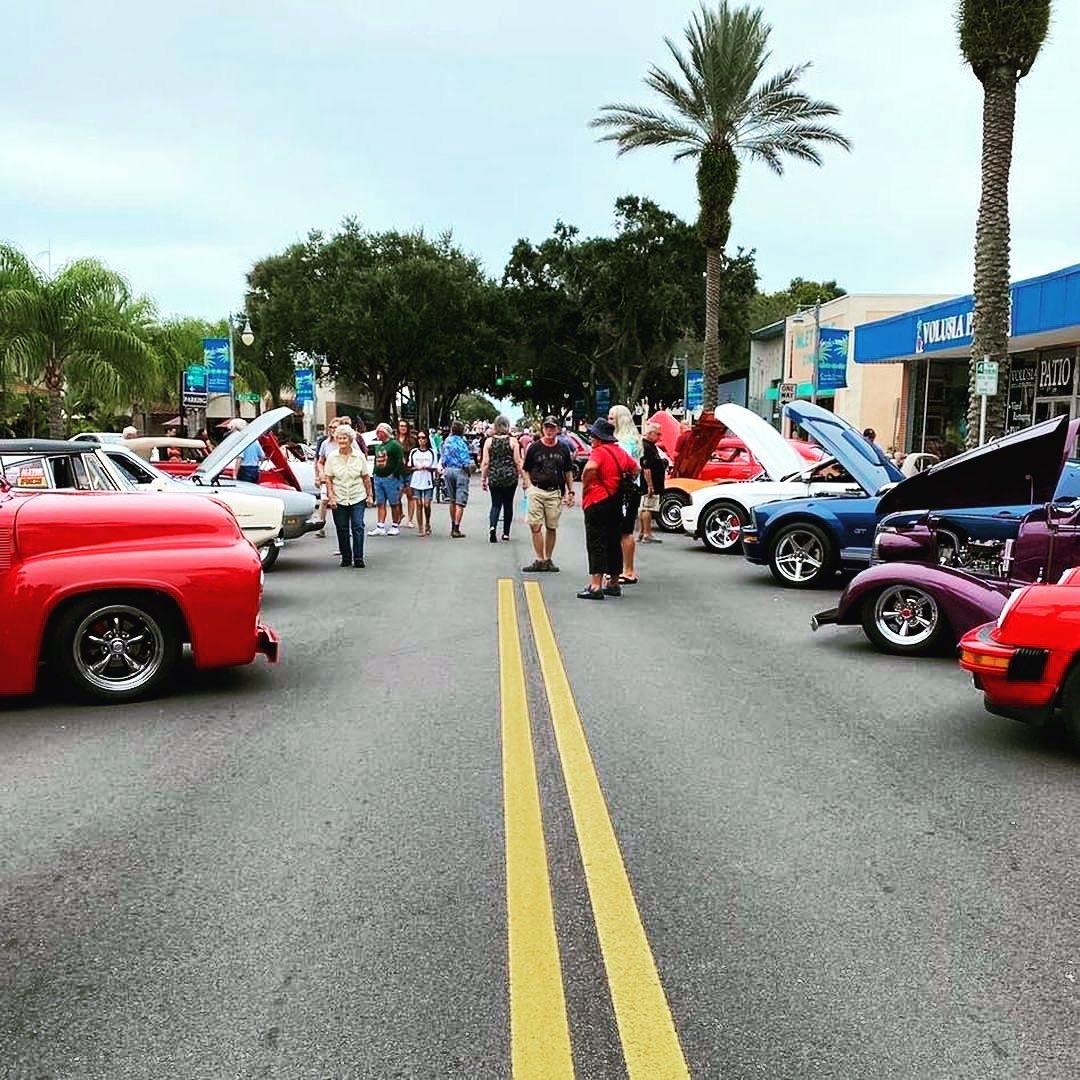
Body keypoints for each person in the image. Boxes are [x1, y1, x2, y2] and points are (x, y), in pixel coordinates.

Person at [579, 418, 638, 600]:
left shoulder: (598, 452)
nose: (590, 439)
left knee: (596, 541)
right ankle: (613, 582)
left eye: (592, 436)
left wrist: (586, 484)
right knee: (613, 541)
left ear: (598, 438)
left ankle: (596, 585)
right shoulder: (619, 452)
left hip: (597, 500)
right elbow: (635, 469)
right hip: (615, 501)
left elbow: (590, 468)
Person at [521, 415, 575, 572]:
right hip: (537, 490)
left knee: (551, 526)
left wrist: (570, 491)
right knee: (535, 525)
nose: (549, 431)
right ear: (543, 429)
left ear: (557, 429)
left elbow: (568, 471)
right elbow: (525, 469)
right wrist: (529, 486)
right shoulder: (535, 447)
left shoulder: (563, 448)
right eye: (546, 427)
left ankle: (548, 558)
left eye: (552, 427)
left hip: (554, 491)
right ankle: (540, 558)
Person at [324, 425, 374, 568]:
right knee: (342, 528)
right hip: (339, 497)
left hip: (357, 496)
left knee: (358, 526)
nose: (342, 441)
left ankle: (358, 558)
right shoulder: (332, 457)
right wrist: (331, 496)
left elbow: (366, 478)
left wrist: (369, 495)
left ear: (350, 439)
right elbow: (329, 479)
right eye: (339, 438)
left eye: (344, 438)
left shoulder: (359, 456)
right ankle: (346, 556)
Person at [608, 404, 643, 584]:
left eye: (611, 418)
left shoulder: (624, 442)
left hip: (625, 491)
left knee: (625, 531)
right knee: (622, 530)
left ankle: (628, 570)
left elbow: (625, 466)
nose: (608, 420)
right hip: (630, 490)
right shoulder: (630, 439)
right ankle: (621, 568)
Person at [481, 414, 523, 543]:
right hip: (510, 477)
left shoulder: (489, 441)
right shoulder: (513, 442)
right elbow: (517, 461)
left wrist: (483, 478)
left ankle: (493, 527)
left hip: (494, 476)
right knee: (508, 504)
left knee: (495, 504)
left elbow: (485, 462)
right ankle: (506, 533)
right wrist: (523, 476)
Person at [439, 420, 474, 538]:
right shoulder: (462, 443)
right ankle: (456, 528)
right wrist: (469, 472)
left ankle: (452, 523)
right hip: (460, 470)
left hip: (448, 470)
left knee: (452, 500)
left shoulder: (446, 442)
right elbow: (465, 460)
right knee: (460, 501)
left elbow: (443, 458)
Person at [636, 421, 666, 553]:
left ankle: (642, 532)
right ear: (651, 433)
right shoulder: (646, 447)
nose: (660, 437)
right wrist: (650, 485)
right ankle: (647, 533)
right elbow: (646, 468)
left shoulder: (650, 446)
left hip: (651, 481)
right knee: (648, 506)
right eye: (658, 434)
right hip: (650, 482)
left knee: (644, 507)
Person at [370, 422, 405, 536]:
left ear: (385, 432)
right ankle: (380, 525)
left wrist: (394, 474)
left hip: (391, 478)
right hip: (378, 477)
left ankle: (395, 525)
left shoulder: (394, 445)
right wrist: (374, 473)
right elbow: (376, 461)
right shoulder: (379, 446)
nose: (377, 433)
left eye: (379, 431)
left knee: (393, 503)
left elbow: (400, 461)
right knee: (380, 502)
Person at [408, 430, 437, 536]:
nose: (421, 440)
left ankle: (427, 522)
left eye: (423, 438)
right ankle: (420, 527)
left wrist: (427, 468)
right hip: (416, 481)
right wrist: (416, 468)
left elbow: (435, 467)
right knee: (419, 503)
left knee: (426, 504)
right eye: (419, 438)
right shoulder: (414, 452)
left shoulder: (432, 452)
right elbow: (409, 466)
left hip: (428, 480)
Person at [227, 417, 263, 484]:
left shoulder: (241, 441)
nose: (230, 431)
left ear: (236, 428)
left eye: (231, 428)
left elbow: (239, 459)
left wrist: (234, 474)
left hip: (244, 470)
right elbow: (262, 456)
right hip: (255, 469)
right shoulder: (255, 440)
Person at [397, 419, 419, 528]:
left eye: (404, 426)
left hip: (410, 470)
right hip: (397, 471)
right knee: (397, 495)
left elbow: (416, 453)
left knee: (411, 495)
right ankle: (400, 513)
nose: (403, 428)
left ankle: (410, 519)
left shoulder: (412, 440)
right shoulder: (395, 440)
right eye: (401, 426)